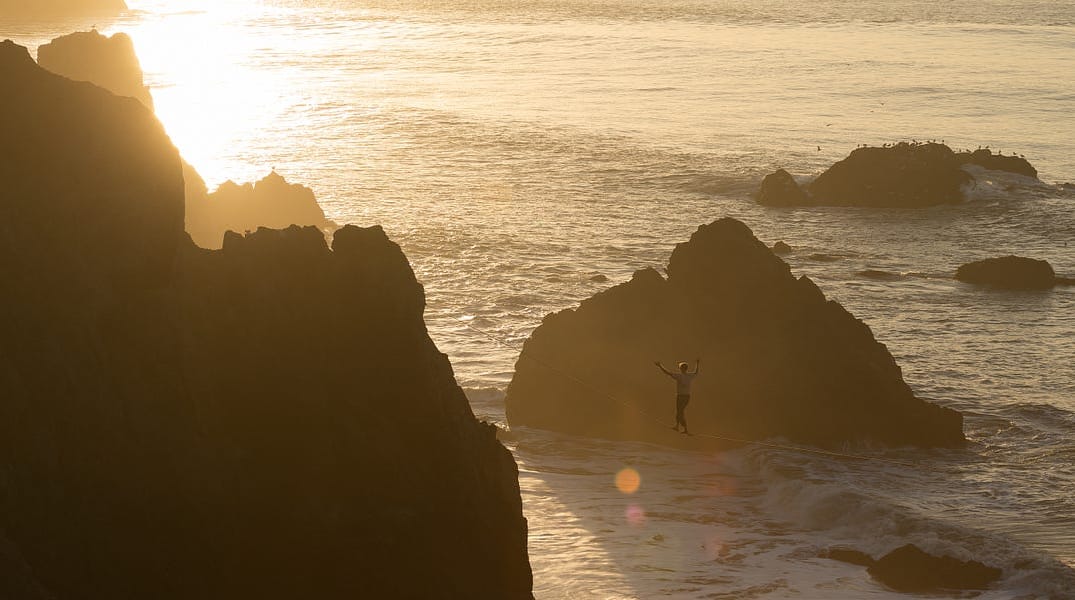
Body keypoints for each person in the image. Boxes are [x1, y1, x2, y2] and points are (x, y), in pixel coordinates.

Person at [654, 358, 699, 434]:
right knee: (680, 411)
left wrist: (660, 366)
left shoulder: (679, 376)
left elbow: (667, 373)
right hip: (687, 397)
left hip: (681, 396)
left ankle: (683, 428)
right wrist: (697, 364)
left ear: (681, 369)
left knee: (680, 411)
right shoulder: (690, 376)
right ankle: (678, 427)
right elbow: (696, 372)